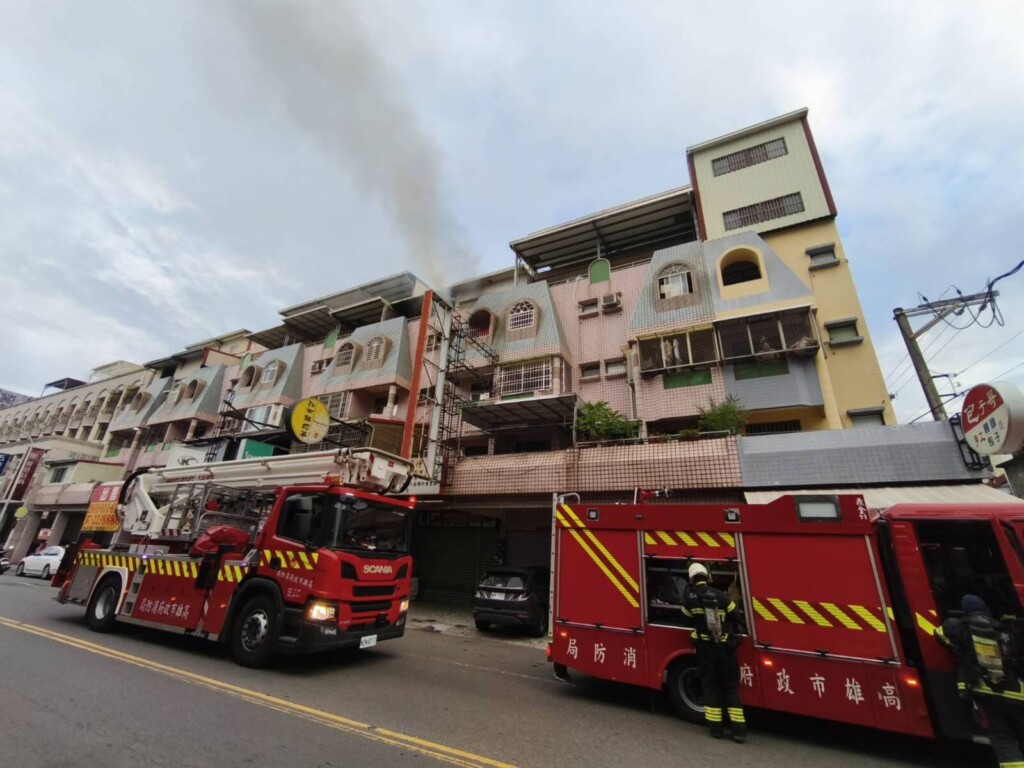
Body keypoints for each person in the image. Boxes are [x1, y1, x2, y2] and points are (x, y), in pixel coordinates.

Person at [936, 594, 1024, 767]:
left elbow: (940, 634)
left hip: (986, 693)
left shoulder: (961, 629)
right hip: (1017, 693)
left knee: (1002, 737)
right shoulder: (1006, 629)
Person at [681, 561, 747, 743]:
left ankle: (716, 730)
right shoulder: (722, 596)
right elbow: (736, 615)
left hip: (705, 650)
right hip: (725, 649)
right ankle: (738, 731)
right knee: (731, 688)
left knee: (709, 686)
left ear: (692, 579)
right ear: (707, 577)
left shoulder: (690, 600)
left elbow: (685, 619)